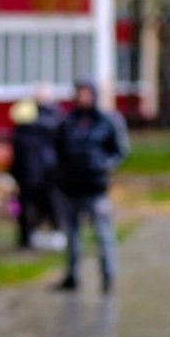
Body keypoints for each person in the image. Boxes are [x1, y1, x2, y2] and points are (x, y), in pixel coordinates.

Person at [54, 81, 129, 294]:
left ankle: (108, 276)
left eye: (87, 93)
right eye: (80, 93)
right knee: (72, 235)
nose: (83, 97)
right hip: (70, 187)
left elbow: (120, 151)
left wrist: (102, 165)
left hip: (95, 188)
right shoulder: (68, 121)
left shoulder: (107, 121)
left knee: (103, 234)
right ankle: (72, 275)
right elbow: (57, 149)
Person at [9, 85, 64, 250]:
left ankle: (53, 234)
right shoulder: (26, 119)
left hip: (47, 171)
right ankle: (27, 237)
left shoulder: (53, 118)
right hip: (28, 170)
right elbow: (17, 147)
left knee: (50, 205)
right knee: (27, 206)